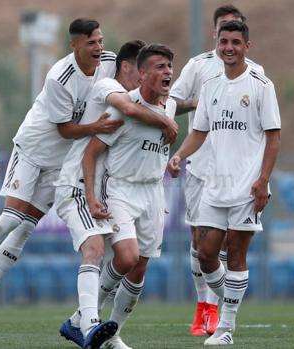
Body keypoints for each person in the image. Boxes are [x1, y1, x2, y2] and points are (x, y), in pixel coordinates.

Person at [0, 19, 176, 327]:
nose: (98, 48)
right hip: (33, 150)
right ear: (75, 45)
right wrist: (158, 122)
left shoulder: (109, 63)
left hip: (61, 163)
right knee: (13, 218)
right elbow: (65, 129)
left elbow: (142, 101)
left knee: (25, 229)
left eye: (101, 41)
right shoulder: (61, 76)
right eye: (91, 42)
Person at [55, 39, 178, 349]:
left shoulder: (172, 105)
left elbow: (155, 152)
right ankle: (88, 318)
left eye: (169, 67)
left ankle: (108, 333)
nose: (167, 72)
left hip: (152, 192)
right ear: (141, 73)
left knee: (140, 268)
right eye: (160, 67)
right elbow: (91, 154)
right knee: (126, 257)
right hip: (120, 188)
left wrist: (160, 184)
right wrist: (92, 196)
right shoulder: (123, 108)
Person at [167, 20, 281, 346]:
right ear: (217, 43)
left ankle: (226, 327)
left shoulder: (261, 85)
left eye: (235, 42)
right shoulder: (211, 84)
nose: (229, 47)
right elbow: (199, 131)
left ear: (247, 45)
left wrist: (263, 181)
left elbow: (274, 138)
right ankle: (234, 296)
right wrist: (180, 156)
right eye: (224, 41)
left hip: (247, 187)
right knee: (205, 256)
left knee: (235, 255)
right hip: (214, 184)